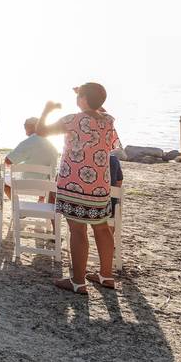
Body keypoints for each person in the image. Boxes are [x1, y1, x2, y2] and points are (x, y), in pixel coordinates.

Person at [36, 82, 122, 295]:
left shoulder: (72, 120)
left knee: (78, 230)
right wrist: (90, 99)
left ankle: (77, 281)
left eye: (80, 96)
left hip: (74, 184)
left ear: (82, 99)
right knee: (102, 228)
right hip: (100, 186)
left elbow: (40, 131)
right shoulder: (109, 121)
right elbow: (112, 145)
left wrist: (46, 110)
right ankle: (106, 275)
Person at [4, 116, 60, 198]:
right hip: (44, 187)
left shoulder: (28, 142)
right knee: (48, 179)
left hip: (24, 184)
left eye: (25, 125)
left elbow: (8, 161)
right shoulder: (53, 147)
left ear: (32, 127)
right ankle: (40, 200)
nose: (24, 128)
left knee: (3, 182)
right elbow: (52, 174)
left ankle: (16, 204)